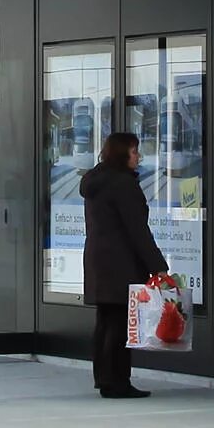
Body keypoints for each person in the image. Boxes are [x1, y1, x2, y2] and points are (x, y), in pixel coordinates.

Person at [80, 131, 168, 401]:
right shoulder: (122, 184)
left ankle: (105, 378)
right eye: (134, 151)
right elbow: (137, 230)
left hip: (99, 260)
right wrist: (158, 267)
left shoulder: (96, 180)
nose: (138, 156)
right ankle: (118, 381)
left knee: (106, 322)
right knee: (120, 325)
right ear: (122, 154)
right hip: (121, 263)